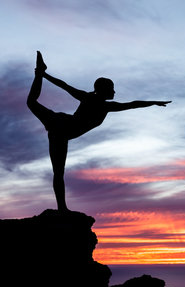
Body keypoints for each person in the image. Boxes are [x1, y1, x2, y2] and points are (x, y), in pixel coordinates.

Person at [27, 51, 171, 212]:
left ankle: (39, 73)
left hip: (60, 127)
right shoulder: (94, 101)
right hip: (60, 127)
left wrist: (153, 103)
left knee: (31, 103)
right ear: (104, 90)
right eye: (112, 89)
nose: (114, 92)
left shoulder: (104, 105)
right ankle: (62, 209)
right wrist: (45, 76)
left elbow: (132, 104)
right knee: (58, 172)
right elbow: (64, 86)